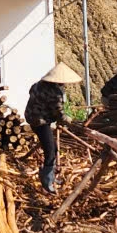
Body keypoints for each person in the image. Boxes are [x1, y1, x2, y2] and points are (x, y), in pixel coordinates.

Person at [25, 62, 82, 193]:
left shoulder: (38, 84)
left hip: (31, 116)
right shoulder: (55, 93)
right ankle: (46, 181)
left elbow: (34, 95)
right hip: (40, 121)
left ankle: (50, 176)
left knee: (53, 148)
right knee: (50, 150)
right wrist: (70, 121)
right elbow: (59, 113)